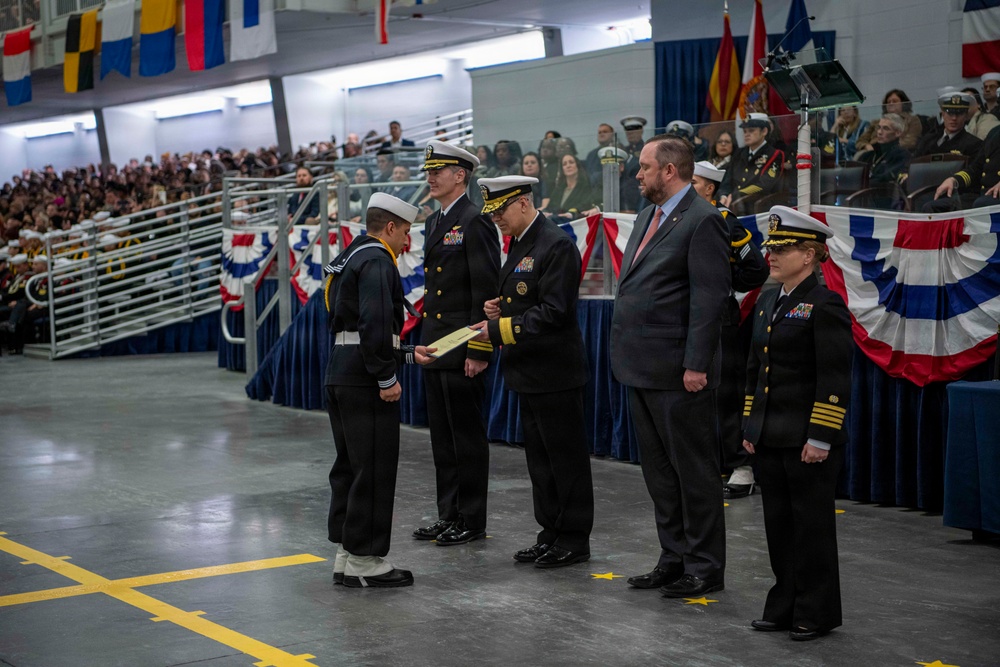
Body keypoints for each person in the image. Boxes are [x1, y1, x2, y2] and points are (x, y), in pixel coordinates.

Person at [610, 135, 731, 597]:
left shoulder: (703, 220)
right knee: (660, 473)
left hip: (681, 373)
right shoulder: (647, 216)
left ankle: (704, 565)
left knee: (693, 473)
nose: (636, 174)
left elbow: (708, 299)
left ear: (669, 170)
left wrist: (697, 363)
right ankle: (673, 556)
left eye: (643, 167)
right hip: (641, 368)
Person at [471, 175, 594, 568]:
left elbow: (555, 312)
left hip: (555, 372)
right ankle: (550, 532)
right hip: (529, 371)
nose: (496, 220)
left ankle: (573, 538)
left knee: (565, 460)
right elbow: (526, 300)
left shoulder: (555, 244)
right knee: (540, 463)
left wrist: (499, 328)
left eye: (501, 211)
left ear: (522, 202)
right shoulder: (521, 243)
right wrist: (501, 309)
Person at [742, 205, 852, 641]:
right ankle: (784, 604)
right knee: (779, 527)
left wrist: (821, 436)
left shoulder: (825, 304)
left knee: (812, 529)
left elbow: (835, 377)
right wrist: (752, 427)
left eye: (782, 248)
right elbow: (756, 369)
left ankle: (817, 611)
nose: (771, 255)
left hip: (807, 438)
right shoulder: (770, 300)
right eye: (771, 247)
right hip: (772, 436)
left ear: (809, 255)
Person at [323, 192, 437, 588]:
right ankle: (365, 560)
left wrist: (406, 354)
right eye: (405, 232)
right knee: (372, 467)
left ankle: (347, 552)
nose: (407, 242)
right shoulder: (377, 260)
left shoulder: (352, 255)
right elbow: (373, 325)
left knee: (351, 467)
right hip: (365, 380)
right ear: (390, 227)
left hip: (341, 372)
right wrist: (387, 378)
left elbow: (351, 328)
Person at [411, 141, 500, 546]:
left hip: (462, 344)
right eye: (429, 171)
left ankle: (471, 518)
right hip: (436, 344)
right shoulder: (434, 221)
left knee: (465, 437)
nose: (430, 177)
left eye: (438, 171)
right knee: (442, 438)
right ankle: (448, 513)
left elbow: (486, 289)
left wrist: (479, 349)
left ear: (460, 175)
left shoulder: (476, 219)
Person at [689, 160, 769, 499]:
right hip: (688, 317)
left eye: (693, 182)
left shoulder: (724, 222)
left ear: (710, 188)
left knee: (727, 394)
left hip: (720, 318)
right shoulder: (676, 220)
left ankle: (741, 466)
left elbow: (756, 268)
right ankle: (712, 462)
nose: (687, 187)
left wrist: (725, 283)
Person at [720, 113, 785, 211]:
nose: (746, 134)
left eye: (751, 130)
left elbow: (765, 185)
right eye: (745, 131)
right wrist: (724, 195)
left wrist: (737, 194)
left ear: (764, 131)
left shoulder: (774, 154)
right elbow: (728, 179)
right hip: (734, 204)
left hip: (758, 206)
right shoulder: (739, 153)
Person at [929, 124, 1000, 211]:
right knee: (933, 207)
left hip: (994, 198)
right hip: (984, 195)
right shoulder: (994, 132)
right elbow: (976, 168)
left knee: (981, 204)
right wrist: (954, 180)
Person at [911, 93, 982, 160]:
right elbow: (913, 163)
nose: (954, 118)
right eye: (950, 113)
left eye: (959, 113)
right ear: (943, 114)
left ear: (966, 116)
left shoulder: (973, 144)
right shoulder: (927, 140)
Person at [853, 89, 924, 154]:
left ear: (903, 103)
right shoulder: (876, 122)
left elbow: (910, 141)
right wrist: (867, 146)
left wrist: (886, 148)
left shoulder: (912, 120)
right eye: (888, 102)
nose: (891, 103)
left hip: (897, 153)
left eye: (895, 101)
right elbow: (860, 141)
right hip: (872, 153)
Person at [855, 114, 912, 185]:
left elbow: (886, 181)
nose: (879, 132)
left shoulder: (901, 155)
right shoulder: (867, 156)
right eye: (879, 128)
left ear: (898, 133)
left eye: (886, 128)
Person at [548, 155, 596, 220]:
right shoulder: (559, 189)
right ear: (562, 169)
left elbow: (585, 205)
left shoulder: (586, 186)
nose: (568, 166)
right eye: (564, 164)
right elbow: (551, 207)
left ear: (577, 166)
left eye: (571, 162)